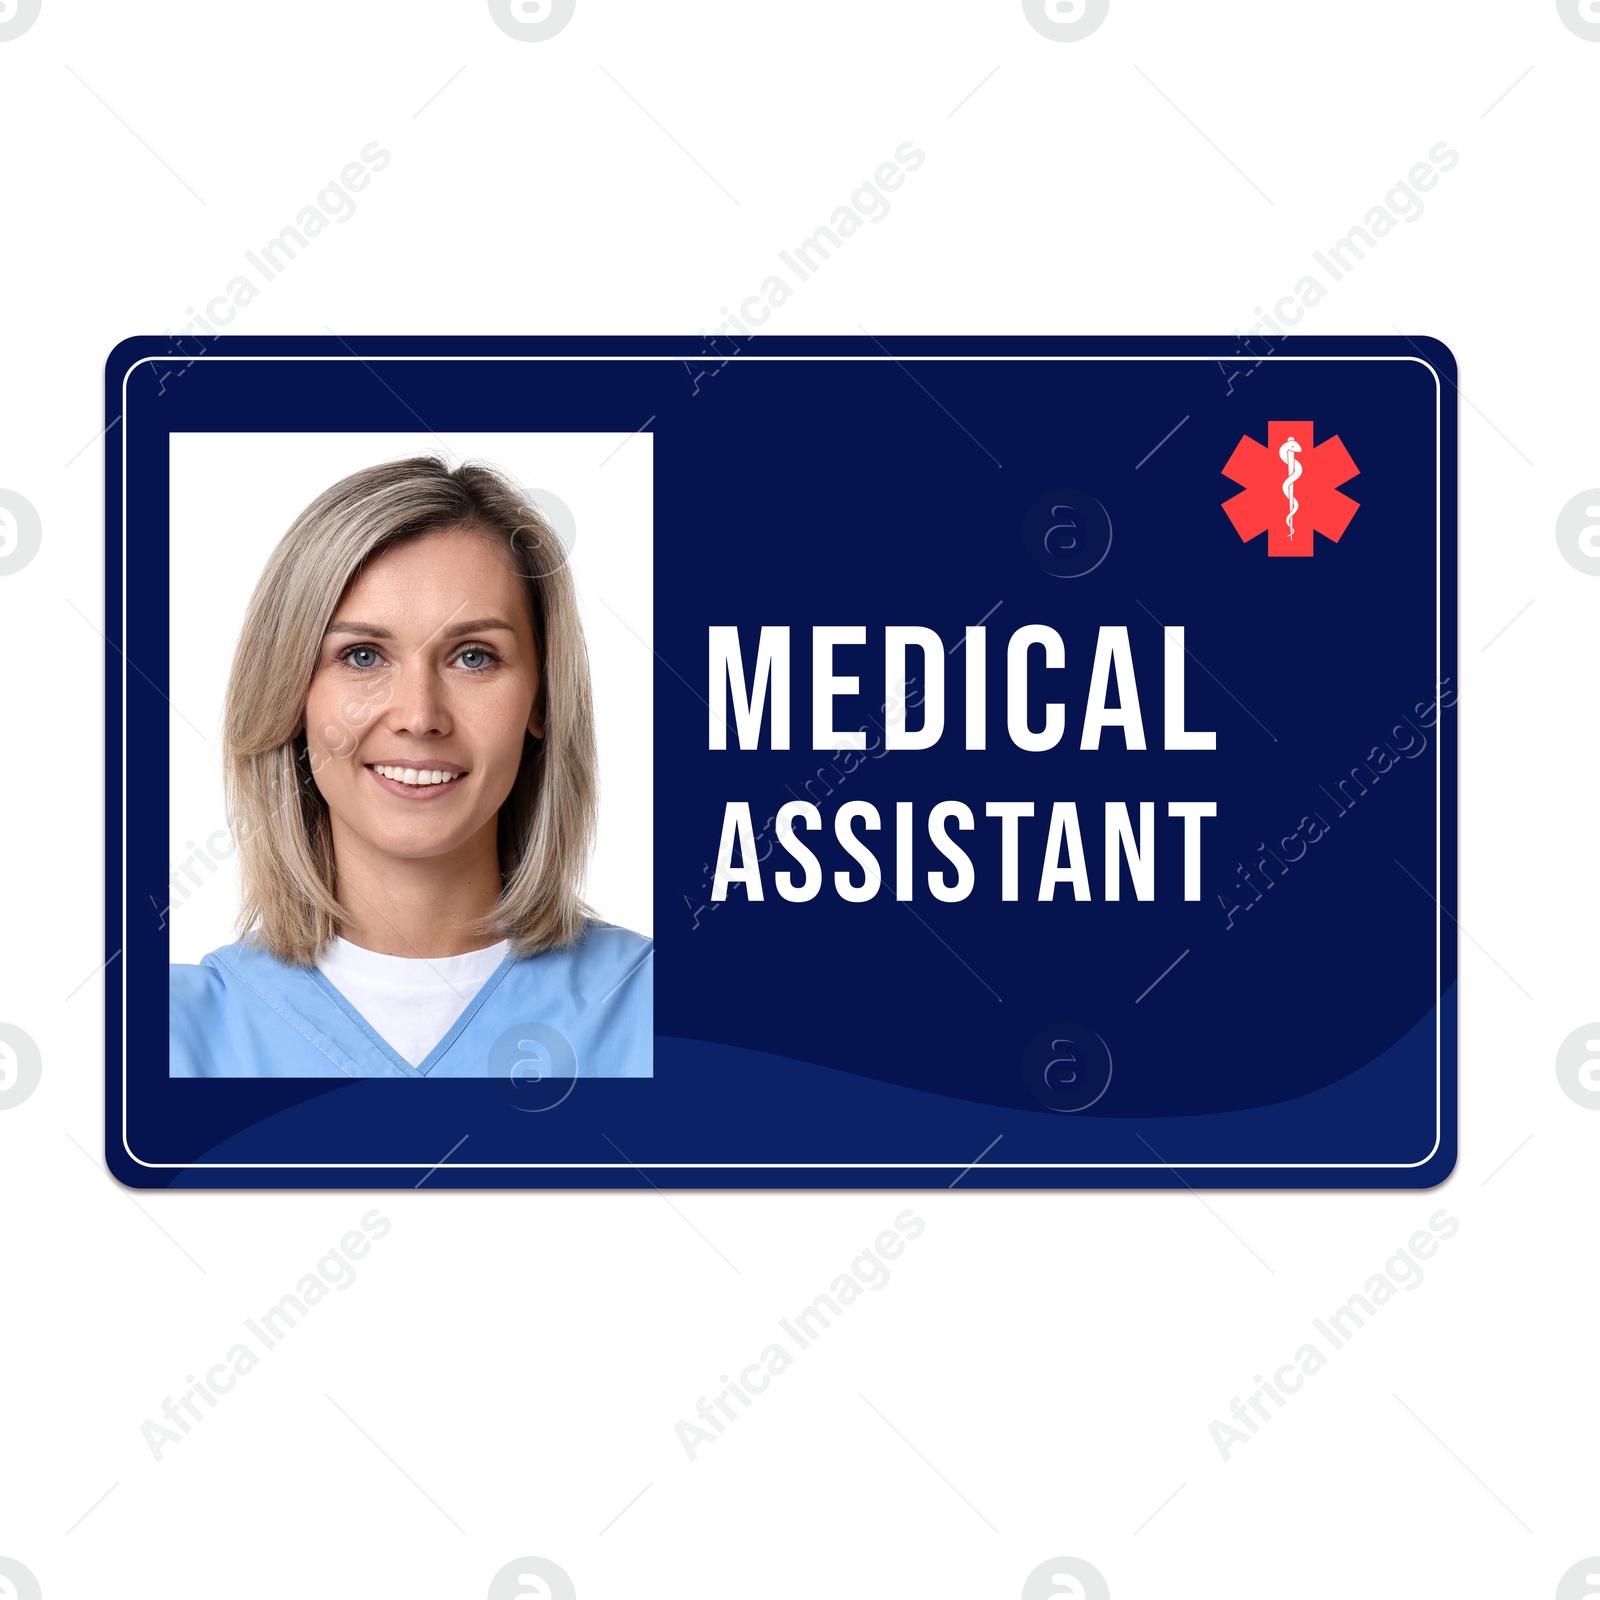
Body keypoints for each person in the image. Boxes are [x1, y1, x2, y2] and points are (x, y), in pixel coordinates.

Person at [169, 456, 652, 1078]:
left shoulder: (663, 1017)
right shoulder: (162, 1037)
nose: (419, 716)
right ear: (292, 694)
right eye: (363, 655)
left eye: (474, 657)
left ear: (543, 699)